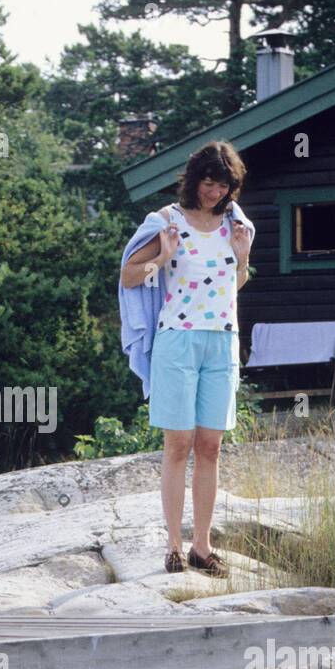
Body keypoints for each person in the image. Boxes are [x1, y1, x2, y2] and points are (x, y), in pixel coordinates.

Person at [118, 140, 254, 575]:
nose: (214, 192)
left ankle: (202, 545)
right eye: (208, 182)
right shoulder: (166, 221)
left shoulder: (236, 224)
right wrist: (163, 256)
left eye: (223, 184)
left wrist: (243, 256)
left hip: (221, 340)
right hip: (177, 339)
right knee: (177, 445)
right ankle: (173, 545)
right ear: (194, 179)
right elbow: (129, 275)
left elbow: (233, 285)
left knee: (210, 446)